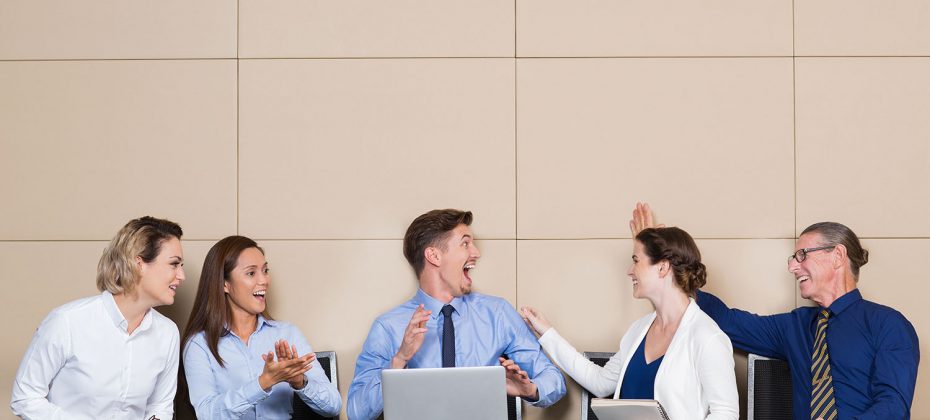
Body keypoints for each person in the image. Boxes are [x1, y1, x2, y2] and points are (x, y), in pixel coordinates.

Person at [635, 203, 920, 419]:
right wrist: (665, 263)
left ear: (838, 256)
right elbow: (725, 321)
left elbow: (893, 406)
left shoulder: (888, 324)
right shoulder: (795, 326)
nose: (792, 267)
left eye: (801, 256)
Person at [346, 209, 566, 419]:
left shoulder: (497, 314)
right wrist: (399, 361)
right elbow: (357, 411)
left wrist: (531, 390)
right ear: (434, 255)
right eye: (465, 243)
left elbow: (554, 380)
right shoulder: (388, 327)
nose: (476, 253)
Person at [522, 214, 739, 420]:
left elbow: (726, 414)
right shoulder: (639, 330)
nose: (629, 271)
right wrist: (547, 333)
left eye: (636, 260)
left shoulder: (707, 337)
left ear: (662, 267)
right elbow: (599, 382)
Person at [11, 216, 185, 419]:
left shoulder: (167, 333)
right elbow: (25, 398)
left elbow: (159, 407)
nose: (182, 275)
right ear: (139, 263)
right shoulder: (67, 321)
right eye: (174, 264)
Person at [181, 235, 341, 419]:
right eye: (251, 273)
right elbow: (206, 414)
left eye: (265, 270)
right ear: (225, 283)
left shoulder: (287, 333)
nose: (264, 280)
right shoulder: (199, 344)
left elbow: (333, 406)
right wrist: (263, 383)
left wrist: (300, 382)